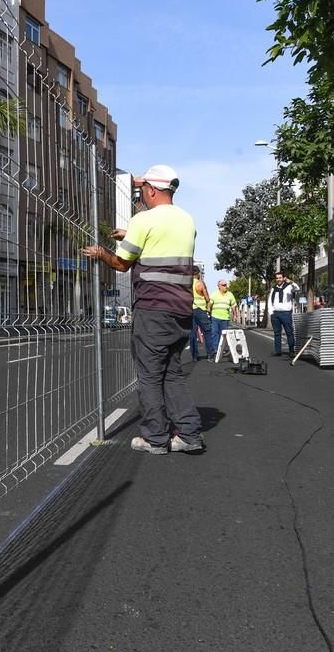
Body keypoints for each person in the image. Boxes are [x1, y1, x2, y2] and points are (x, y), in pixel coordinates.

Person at [81, 164, 204, 455]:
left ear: (150, 190)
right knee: (171, 373)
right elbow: (159, 247)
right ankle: (189, 434)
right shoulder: (187, 220)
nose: (142, 198)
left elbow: (122, 264)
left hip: (152, 310)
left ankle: (155, 438)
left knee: (149, 375)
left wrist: (101, 253)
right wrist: (130, 234)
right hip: (181, 310)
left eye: (142, 192)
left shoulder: (143, 220)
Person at [268, 271, 299, 356]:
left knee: (289, 332)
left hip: (286, 313)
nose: (278, 279)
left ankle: (291, 351)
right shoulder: (273, 288)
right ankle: (277, 351)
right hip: (275, 314)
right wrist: (271, 313)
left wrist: (291, 282)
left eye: (280, 278)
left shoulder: (289, 287)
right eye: (277, 278)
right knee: (277, 333)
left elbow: (297, 288)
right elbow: (270, 301)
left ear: (283, 278)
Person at [209, 279, 238, 357]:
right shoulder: (214, 294)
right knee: (214, 333)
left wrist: (235, 315)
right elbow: (209, 304)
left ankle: (223, 349)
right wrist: (208, 311)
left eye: (226, 285)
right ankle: (215, 350)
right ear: (219, 286)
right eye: (223, 285)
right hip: (215, 317)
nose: (225, 286)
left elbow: (234, 306)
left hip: (225, 318)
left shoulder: (230, 294)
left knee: (224, 335)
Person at [190, 266, 211, 361]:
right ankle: (211, 353)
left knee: (192, 333)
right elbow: (207, 298)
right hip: (200, 310)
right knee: (207, 331)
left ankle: (195, 356)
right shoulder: (199, 284)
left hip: (190, 310)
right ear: (198, 273)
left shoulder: (188, 284)